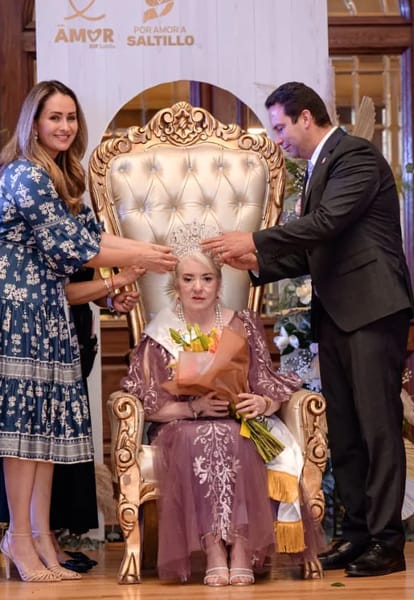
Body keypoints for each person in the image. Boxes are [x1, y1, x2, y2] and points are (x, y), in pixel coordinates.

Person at [202, 81, 414, 577]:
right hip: (338, 313)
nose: (277, 138)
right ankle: (356, 534)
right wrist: (252, 261)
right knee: (346, 432)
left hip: (372, 309)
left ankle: (388, 543)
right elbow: (309, 250)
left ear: (305, 117)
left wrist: (253, 237)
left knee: (378, 430)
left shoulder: (356, 157)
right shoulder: (320, 167)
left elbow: (327, 222)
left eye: (279, 127)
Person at [0, 80, 176, 583]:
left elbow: (86, 239)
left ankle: (41, 536)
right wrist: (144, 253)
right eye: (54, 117)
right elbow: (73, 248)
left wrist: (123, 270)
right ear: (33, 123)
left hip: (44, 306)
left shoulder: (58, 174)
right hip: (12, 310)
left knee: (43, 428)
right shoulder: (26, 174)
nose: (64, 126)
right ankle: (20, 539)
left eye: (70, 118)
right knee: (22, 431)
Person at [122, 230, 323, 586]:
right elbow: (148, 403)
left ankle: (241, 546)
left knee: (234, 436)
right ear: (176, 284)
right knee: (202, 436)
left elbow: (267, 384)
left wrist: (261, 402)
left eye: (207, 278)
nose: (197, 287)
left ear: (218, 283)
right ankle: (214, 546)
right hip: (180, 424)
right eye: (188, 279)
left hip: (238, 422)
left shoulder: (242, 323)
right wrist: (194, 407)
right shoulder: (160, 332)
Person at [0, 265, 143, 572]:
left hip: (73, 336)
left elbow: (90, 283)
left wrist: (109, 300)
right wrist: (120, 279)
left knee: (62, 442)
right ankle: (29, 538)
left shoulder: (83, 220)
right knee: (37, 438)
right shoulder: (49, 226)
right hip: (39, 331)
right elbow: (60, 291)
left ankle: (48, 538)